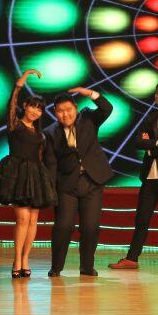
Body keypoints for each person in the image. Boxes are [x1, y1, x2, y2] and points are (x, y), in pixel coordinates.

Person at [109, 81, 158, 271]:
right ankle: (132, 258)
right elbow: (137, 142)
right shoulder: (149, 118)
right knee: (141, 219)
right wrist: (156, 143)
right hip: (149, 176)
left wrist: (150, 147)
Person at [43, 86, 114, 277]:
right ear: (55, 112)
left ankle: (87, 266)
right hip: (67, 186)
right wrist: (51, 191)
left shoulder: (88, 118)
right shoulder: (50, 132)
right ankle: (56, 267)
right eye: (60, 111)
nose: (65, 114)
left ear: (75, 108)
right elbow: (51, 164)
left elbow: (107, 108)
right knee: (63, 227)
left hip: (92, 181)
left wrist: (89, 93)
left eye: (68, 109)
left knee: (91, 227)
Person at [0, 69, 57, 279]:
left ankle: (25, 259)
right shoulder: (15, 124)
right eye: (32, 106)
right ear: (25, 106)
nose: (35, 111)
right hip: (17, 175)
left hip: (36, 176)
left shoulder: (40, 133)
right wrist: (23, 79)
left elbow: (41, 156)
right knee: (22, 219)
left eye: (39, 109)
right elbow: (11, 103)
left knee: (33, 221)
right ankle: (17, 260)